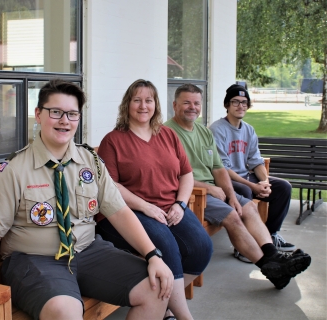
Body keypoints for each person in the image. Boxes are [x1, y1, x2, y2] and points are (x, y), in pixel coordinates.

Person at [0, 79, 173, 320]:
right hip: (35, 260)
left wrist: (153, 255)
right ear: (39, 114)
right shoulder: (16, 169)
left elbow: (119, 212)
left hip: (88, 252)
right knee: (66, 311)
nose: (65, 120)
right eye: (56, 112)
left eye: (72, 114)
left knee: (157, 286)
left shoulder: (90, 161)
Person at [165, 83, 311, 290]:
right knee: (233, 216)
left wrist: (231, 194)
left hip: (215, 190)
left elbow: (219, 169)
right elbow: (171, 177)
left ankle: (274, 259)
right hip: (191, 194)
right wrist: (208, 189)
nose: (192, 107)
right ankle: (269, 267)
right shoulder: (166, 133)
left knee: (248, 207)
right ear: (174, 105)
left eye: (196, 103)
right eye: (186, 102)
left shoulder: (203, 132)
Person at [96, 79, 213, 320]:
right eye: (137, 100)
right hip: (126, 211)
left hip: (169, 207)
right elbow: (111, 186)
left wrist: (181, 204)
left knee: (201, 247)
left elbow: (186, 174)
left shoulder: (168, 135)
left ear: (156, 105)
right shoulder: (113, 140)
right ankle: (183, 316)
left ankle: (165, 306)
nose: (143, 105)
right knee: (165, 245)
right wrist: (145, 207)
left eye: (148, 100)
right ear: (127, 104)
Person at [209, 84, 295, 264]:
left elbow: (256, 161)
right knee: (245, 193)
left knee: (283, 187)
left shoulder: (248, 129)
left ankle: (270, 236)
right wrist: (253, 186)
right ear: (227, 105)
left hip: (246, 177)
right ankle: (243, 248)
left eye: (244, 103)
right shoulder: (218, 129)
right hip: (226, 180)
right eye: (235, 102)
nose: (240, 106)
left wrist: (264, 182)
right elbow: (223, 168)